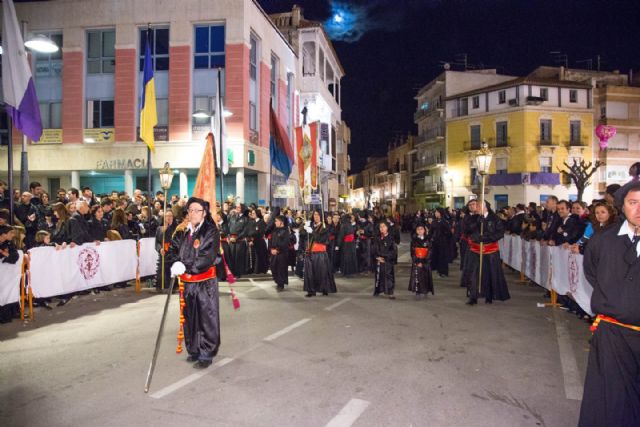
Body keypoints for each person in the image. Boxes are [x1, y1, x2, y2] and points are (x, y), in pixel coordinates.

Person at [579, 181, 640, 426]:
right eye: (633, 203)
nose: (639, 209)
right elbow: (592, 272)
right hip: (612, 333)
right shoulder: (603, 241)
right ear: (623, 207)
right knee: (610, 399)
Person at [168, 197, 221, 369]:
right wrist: (174, 263)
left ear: (204, 213)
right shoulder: (184, 231)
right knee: (190, 317)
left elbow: (206, 258)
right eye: (190, 210)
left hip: (204, 283)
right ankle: (194, 349)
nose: (193, 213)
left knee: (206, 317)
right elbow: (173, 250)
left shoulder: (210, 232)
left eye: (197, 210)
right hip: (187, 284)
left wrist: (185, 266)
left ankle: (207, 352)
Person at [467, 201, 510, 305]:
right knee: (474, 274)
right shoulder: (474, 218)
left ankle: (489, 296)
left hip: (490, 251)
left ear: (485, 207)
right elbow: (468, 230)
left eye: (479, 205)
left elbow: (500, 233)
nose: (476, 207)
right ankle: (473, 297)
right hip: (476, 251)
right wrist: (478, 224)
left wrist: (487, 238)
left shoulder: (495, 218)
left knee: (490, 273)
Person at [303, 210, 337, 297]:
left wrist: (312, 231)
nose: (316, 216)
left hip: (320, 253)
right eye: (314, 214)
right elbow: (303, 236)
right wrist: (304, 227)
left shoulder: (325, 227)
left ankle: (324, 289)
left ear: (321, 216)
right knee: (310, 273)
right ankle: (311, 290)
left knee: (322, 273)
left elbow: (320, 239)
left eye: (318, 215)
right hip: (310, 252)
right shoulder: (311, 225)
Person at [372, 220, 398, 299]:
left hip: (388, 261)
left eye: (383, 226)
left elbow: (393, 251)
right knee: (379, 276)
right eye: (380, 227)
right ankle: (378, 290)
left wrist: (385, 258)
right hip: (379, 261)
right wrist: (377, 257)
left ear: (387, 227)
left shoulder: (391, 238)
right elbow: (374, 249)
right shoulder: (377, 238)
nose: (382, 228)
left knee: (389, 276)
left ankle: (390, 292)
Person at [409, 223, 434, 298]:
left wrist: (425, 261)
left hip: (425, 261)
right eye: (418, 229)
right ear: (416, 231)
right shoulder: (414, 241)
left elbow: (430, 251)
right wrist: (417, 261)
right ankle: (418, 291)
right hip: (417, 261)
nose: (420, 231)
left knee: (425, 276)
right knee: (417, 276)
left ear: (424, 230)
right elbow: (412, 252)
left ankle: (425, 290)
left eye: (421, 229)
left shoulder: (428, 240)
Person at [155, 210, 176, 292]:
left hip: (172, 252)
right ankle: (160, 286)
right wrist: (160, 248)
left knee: (171, 269)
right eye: (167, 216)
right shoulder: (159, 228)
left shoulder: (175, 228)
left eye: (170, 216)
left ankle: (172, 287)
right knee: (161, 269)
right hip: (163, 252)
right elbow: (157, 241)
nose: (169, 218)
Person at [269, 215, 290, 291]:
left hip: (282, 253)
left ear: (281, 222)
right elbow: (271, 241)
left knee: (281, 268)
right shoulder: (275, 230)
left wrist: (277, 250)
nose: (275, 222)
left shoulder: (286, 231)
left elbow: (285, 243)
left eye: (276, 221)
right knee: (273, 267)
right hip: (274, 252)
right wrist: (271, 249)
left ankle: (280, 284)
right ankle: (277, 281)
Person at [429, 207, 452, 278]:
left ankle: (443, 271)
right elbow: (431, 232)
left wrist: (445, 238)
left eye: (437, 212)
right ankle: (437, 269)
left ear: (440, 213)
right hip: (435, 242)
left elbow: (449, 233)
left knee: (443, 256)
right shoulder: (434, 222)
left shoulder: (445, 222)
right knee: (436, 255)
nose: (436, 213)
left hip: (443, 242)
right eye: (435, 212)